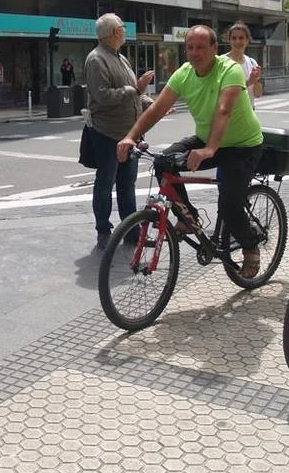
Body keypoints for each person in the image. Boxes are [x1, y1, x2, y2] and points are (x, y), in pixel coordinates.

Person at [116, 25, 265, 277]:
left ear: (215, 48)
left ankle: (250, 246)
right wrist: (131, 136)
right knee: (163, 162)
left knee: (229, 205)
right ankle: (188, 217)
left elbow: (224, 110)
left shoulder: (230, 70)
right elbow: (157, 108)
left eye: (201, 47)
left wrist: (209, 150)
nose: (195, 53)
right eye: (190, 48)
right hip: (208, 139)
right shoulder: (184, 73)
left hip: (243, 145)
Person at [84, 14, 152, 250]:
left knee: (127, 184)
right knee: (105, 182)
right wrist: (134, 89)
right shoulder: (96, 59)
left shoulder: (120, 57)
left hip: (129, 133)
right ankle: (103, 230)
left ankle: (131, 232)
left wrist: (151, 104)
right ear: (115, 33)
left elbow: (135, 95)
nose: (125, 30)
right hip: (107, 133)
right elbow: (102, 96)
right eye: (122, 27)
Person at [221, 21, 262, 108]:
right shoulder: (222, 62)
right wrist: (249, 82)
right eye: (234, 38)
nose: (237, 41)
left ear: (247, 40)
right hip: (230, 113)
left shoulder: (252, 62)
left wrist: (256, 81)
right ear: (229, 40)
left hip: (249, 112)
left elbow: (258, 94)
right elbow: (222, 92)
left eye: (241, 38)